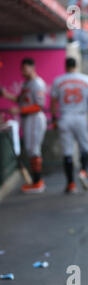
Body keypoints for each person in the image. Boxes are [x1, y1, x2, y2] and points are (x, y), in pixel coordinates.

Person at [50, 57, 88, 193]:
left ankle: (70, 184)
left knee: (67, 151)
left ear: (65, 66)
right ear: (76, 65)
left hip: (65, 117)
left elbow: (53, 102)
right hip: (81, 117)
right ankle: (83, 171)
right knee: (85, 147)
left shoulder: (58, 81)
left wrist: (54, 119)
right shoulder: (86, 79)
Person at [1, 58, 47, 193]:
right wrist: (6, 95)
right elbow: (20, 100)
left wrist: (20, 110)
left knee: (34, 150)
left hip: (35, 119)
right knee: (31, 149)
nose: (23, 71)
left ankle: (38, 182)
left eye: (25, 69)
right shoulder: (26, 84)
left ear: (32, 68)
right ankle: (36, 181)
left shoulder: (37, 83)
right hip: (28, 119)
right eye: (22, 69)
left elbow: (39, 106)